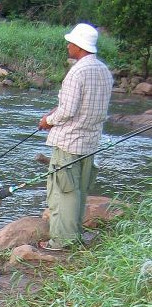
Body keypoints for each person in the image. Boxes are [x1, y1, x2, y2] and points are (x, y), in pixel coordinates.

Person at [38, 23, 113, 250]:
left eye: (70, 42)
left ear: (79, 46)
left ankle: (61, 242)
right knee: (79, 191)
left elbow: (68, 111)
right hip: (90, 143)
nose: (68, 45)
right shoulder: (103, 70)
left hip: (69, 142)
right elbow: (87, 107)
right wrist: (56, 112)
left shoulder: (77, 71)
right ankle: (75, 235)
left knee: (63, 192)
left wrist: (47, 121)